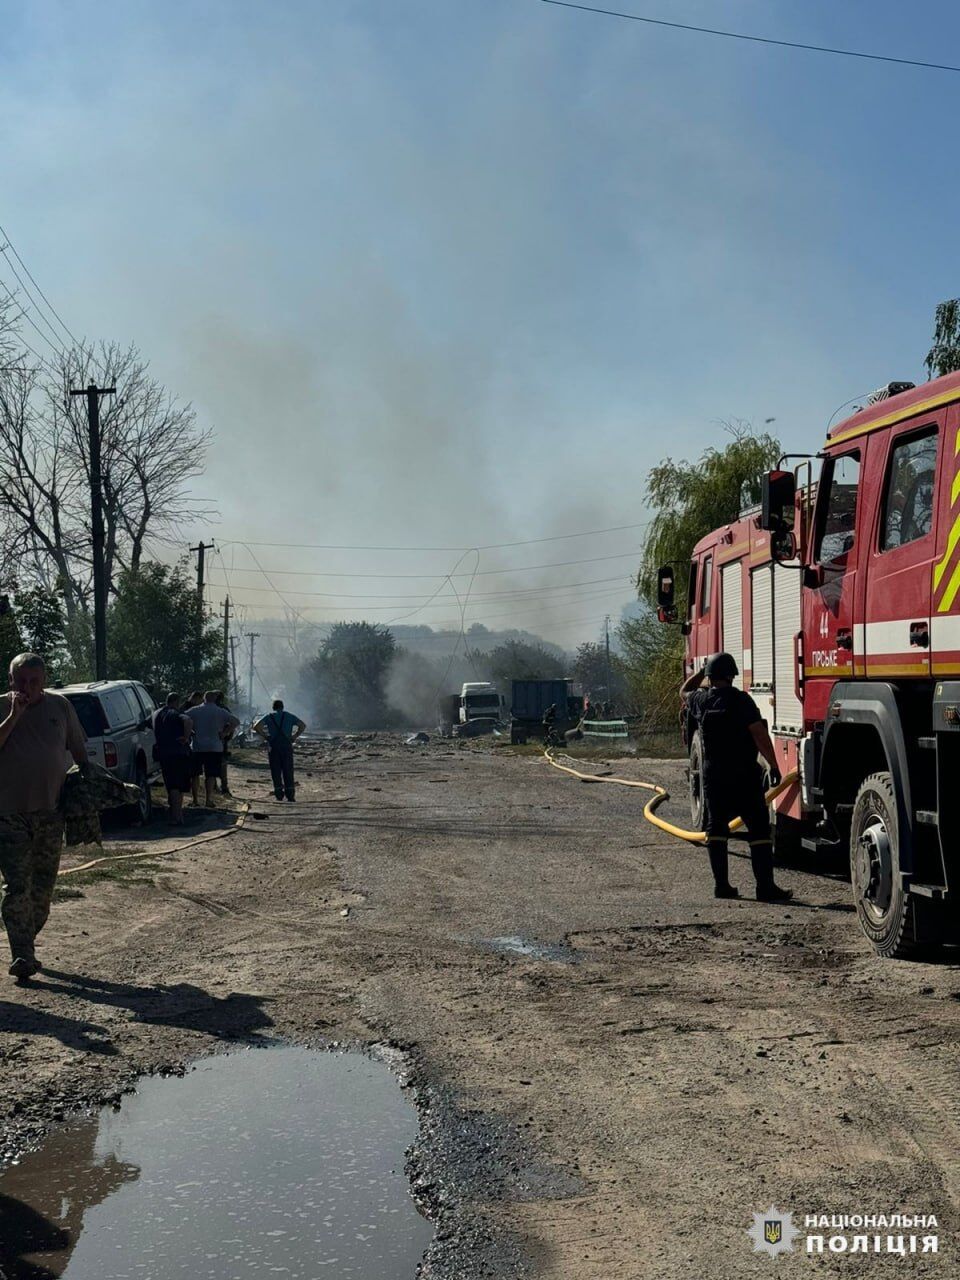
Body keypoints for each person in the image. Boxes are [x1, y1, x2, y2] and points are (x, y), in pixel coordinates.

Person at [0, 653, 88, 979]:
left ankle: (26, 942)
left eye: (33, 681)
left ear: (44, 680)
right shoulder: (2, 707)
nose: (27, 687)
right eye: (20, 681)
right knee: (17, 886)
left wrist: (90, 785)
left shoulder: (60, 707)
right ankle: (22, 955)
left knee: (42, 890)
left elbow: (78, 750)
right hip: (8, 815)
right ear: (11, 680)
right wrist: (14, 715)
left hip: (51, 813)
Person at [681, 652, 792, 903]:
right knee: (759, 831)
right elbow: (759, 734)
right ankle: (765, 888)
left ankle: (722, 886)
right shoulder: (742, 701)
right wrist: (773, 765)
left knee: (716, 828)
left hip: (713, 776)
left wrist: (701, 672)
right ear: (732, 676)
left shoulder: (701, 700)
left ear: (710, 677)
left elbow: (683, 691)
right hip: (744, 775)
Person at [186, 691, 239, 807]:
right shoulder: (220, 711)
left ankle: (195, 800)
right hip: (214, 747)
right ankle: (208, 800)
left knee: (195, 775)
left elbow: (183, 719)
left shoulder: (195, 710)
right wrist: (225, 733)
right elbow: (236, 721)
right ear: (215, 699)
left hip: (197, 747)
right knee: (210, 775)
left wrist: (189, 731)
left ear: (204, 699)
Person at [152, 693, 193, 826]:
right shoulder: (175, 713)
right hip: (178, 753)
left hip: (163, 754)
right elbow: (188, 721)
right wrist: (186, 738)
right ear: (176, 701)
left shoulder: (156, 714)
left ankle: (177, 814)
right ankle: (176, 816)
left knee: (171, 786)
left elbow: (143, 725)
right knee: (177, 787)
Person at [254, 700, 306, 801]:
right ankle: (290, 794)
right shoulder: (289, 716)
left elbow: (257, 726)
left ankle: (279, 793)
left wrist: (266, 736)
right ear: (282, 707)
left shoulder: (269, 716)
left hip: (274, 746)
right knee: (288, 770)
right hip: (286, 745)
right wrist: (294, 736)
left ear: (273, 707)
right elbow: (302, 725)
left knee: (275, 770)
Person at [184, 690, 204, 806]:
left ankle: (194, 799)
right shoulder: (190, 710)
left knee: (194, 774)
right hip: (191, 746)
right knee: (194, 774)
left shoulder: (186, 708)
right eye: (200, 700)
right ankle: (194, 799)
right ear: (196, 698)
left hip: (192, 745)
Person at [214, 691, 234, 797]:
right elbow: (233, 723)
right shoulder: (224, 709)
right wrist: (228, 735)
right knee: (222, 764)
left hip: (213, 740)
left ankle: (215, 787)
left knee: (212, 764)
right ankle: (224, 787)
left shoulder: (208, 709)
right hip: (222, 740)